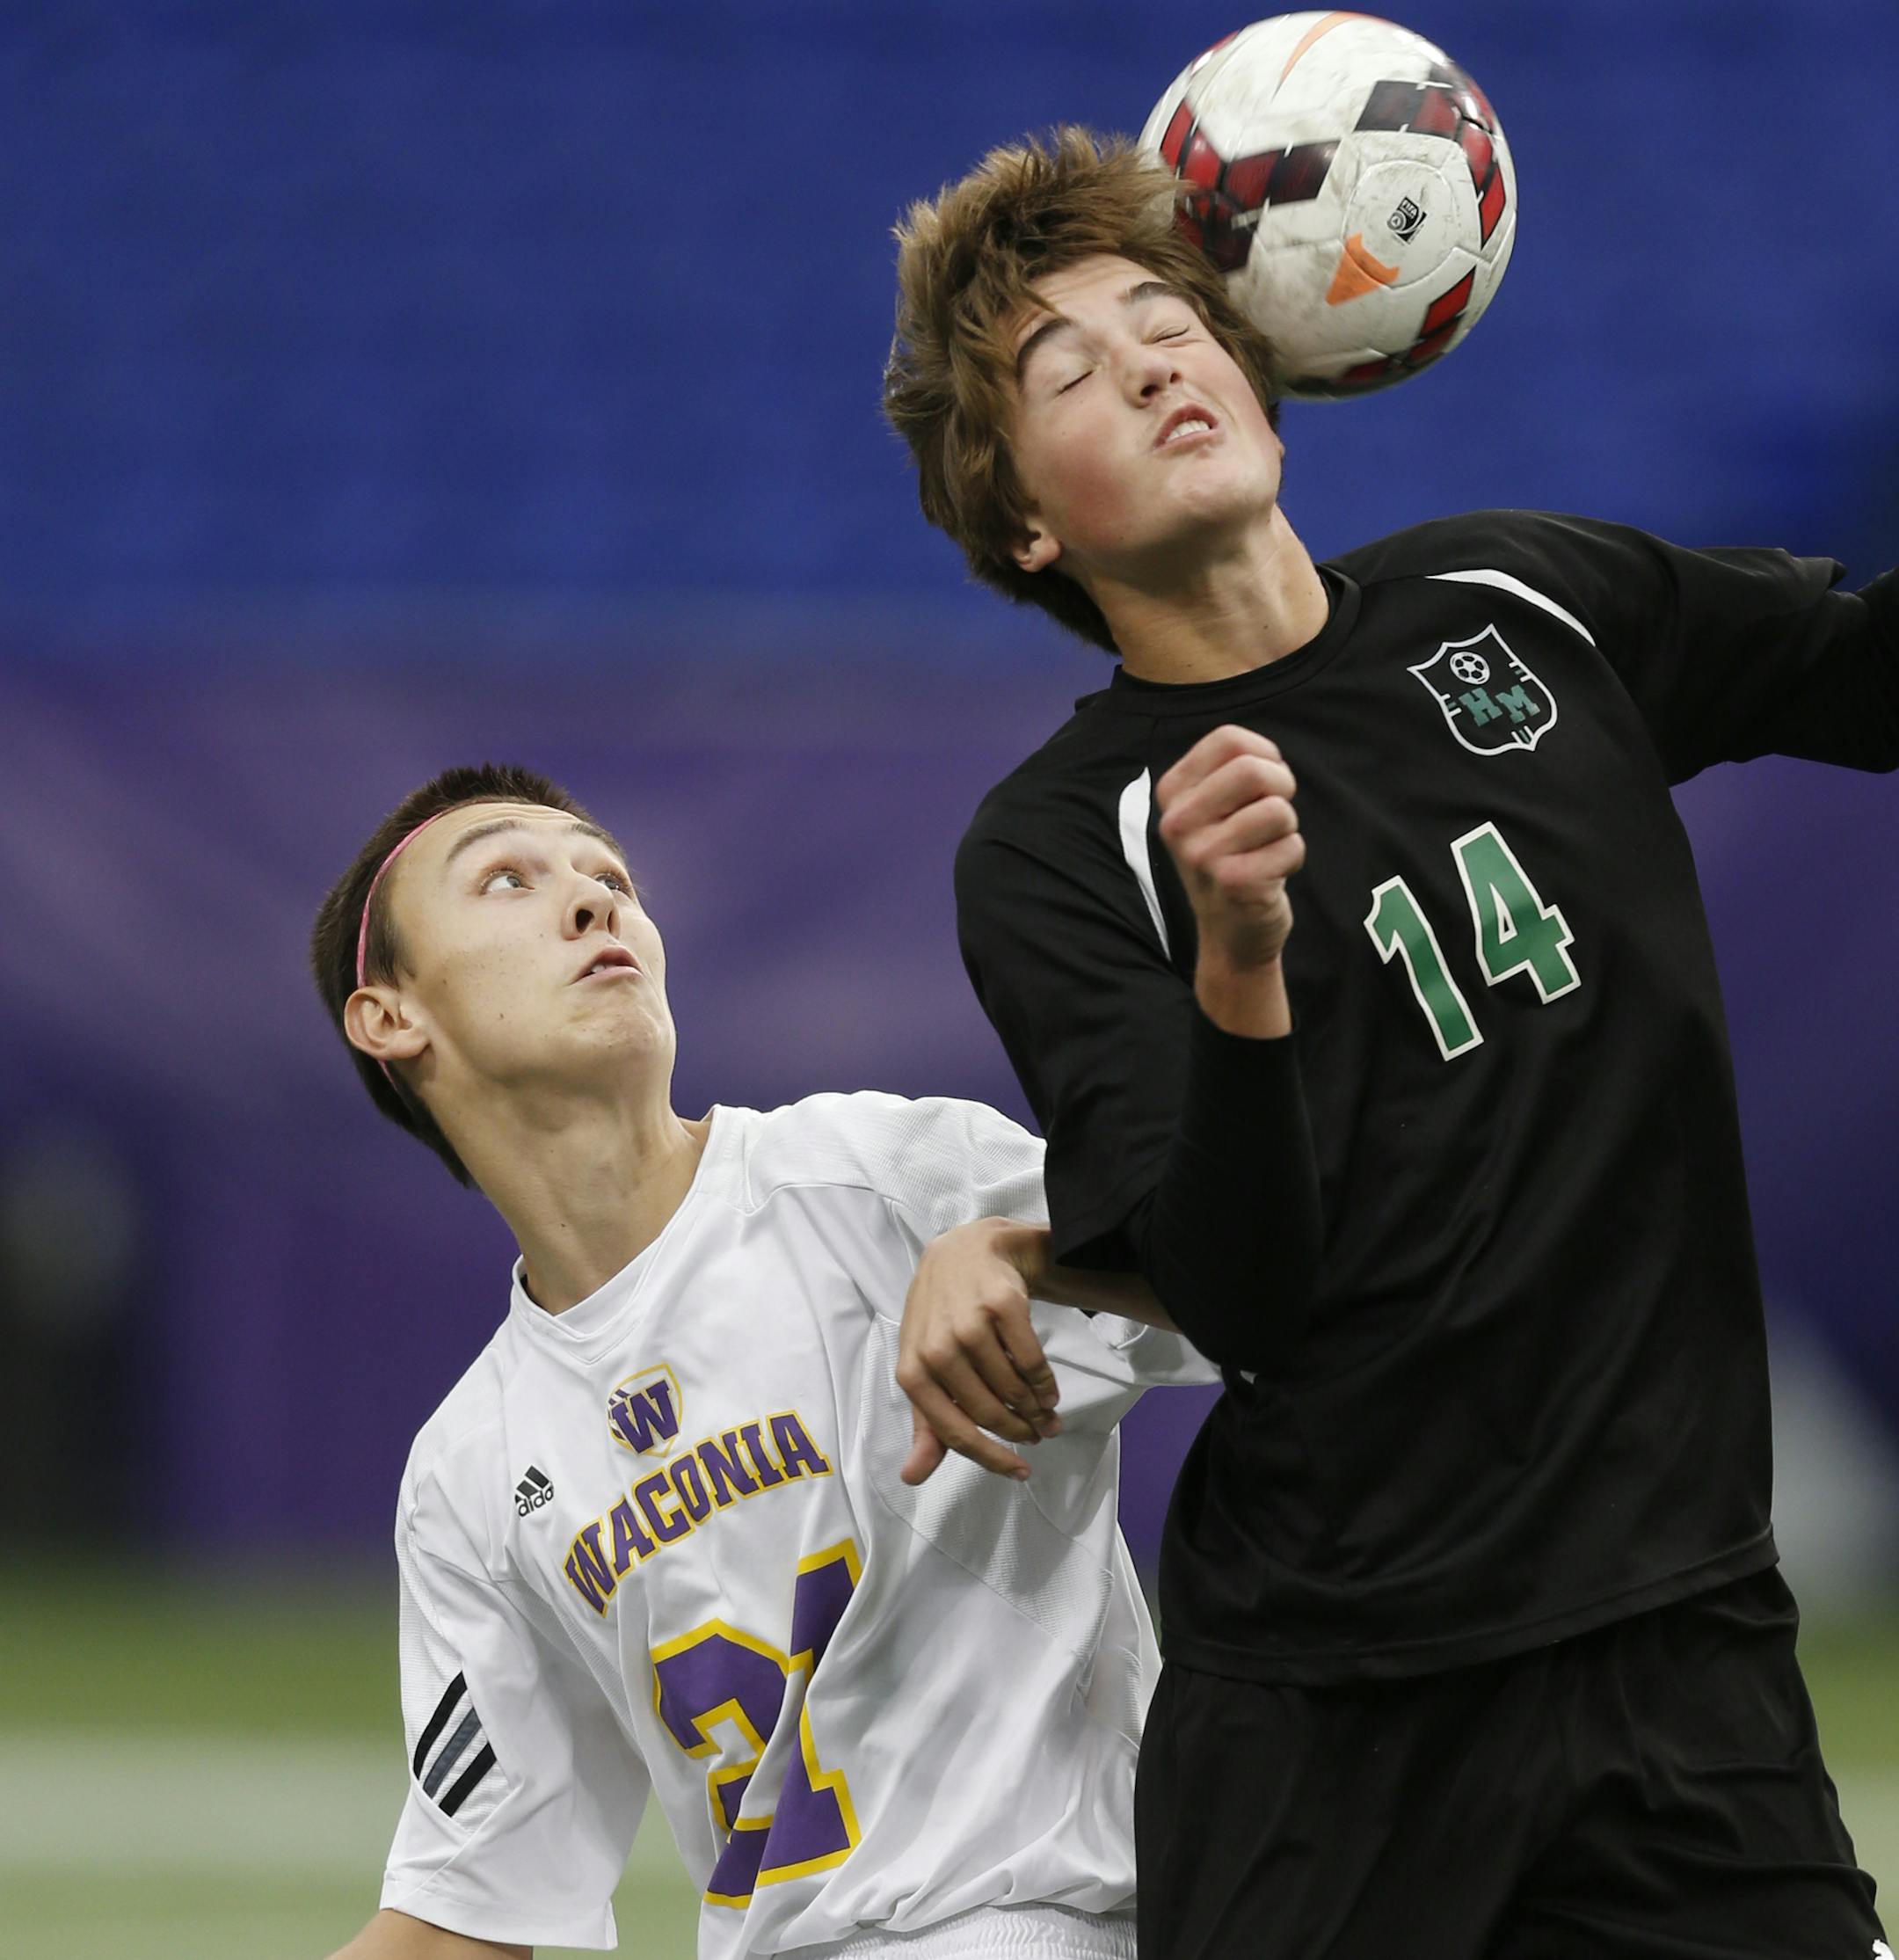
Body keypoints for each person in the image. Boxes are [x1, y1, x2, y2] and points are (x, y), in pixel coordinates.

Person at [881, 128, 1898, 1957]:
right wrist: (1242, 964)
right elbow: (1241, 1291)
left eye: (1166, 312)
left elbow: (1876, 674)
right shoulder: (1062, 840)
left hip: (1684, 1651)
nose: (1150, 358)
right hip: (1339, 1706)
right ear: (1023, 517)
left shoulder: (1518, 597)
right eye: (1067, 370)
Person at [305, 761, 1220, 1960]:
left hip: (1041, 1921)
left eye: (609, 877)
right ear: (389, 1015)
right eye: (508, 880)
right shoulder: (473, 1467)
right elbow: (461, 1918)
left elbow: (1267, 1282)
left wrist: (1022, 1255)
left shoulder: (882, 1181)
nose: (593, 903)